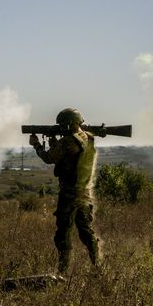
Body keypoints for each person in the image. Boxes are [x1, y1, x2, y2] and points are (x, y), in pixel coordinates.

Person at [29, 108, 101, 275]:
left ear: (68, 124)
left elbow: (49, 158)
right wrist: (55, 141)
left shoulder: (67, 141)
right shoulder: (87, 138)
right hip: (84, 192)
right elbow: (69, 156)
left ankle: (63, 271)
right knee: (85, 230)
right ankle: (97, 266)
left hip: (69, 193)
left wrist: (37, 145)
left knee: (63, 233)